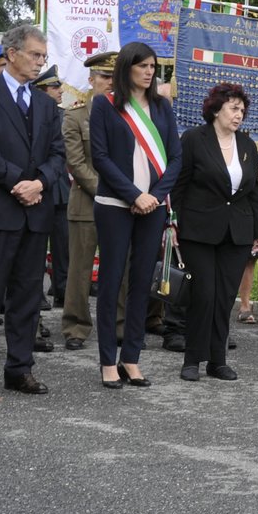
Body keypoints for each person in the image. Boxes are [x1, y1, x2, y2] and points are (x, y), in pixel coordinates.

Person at [0, 23, 63, 399]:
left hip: (35, 210)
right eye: (35, 55)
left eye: (43, 56)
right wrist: (18, 183)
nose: (40, 62)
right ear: (12, 53)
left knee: (26, 294)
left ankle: (20, 368)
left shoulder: (44, 103)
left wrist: (39, 183)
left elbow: (57, 154)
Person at [89, 41, 180, 389]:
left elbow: (175, 159)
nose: (148, 72)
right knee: (111, 282)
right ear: (126, 68)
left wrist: (154, 197)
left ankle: (132, 358)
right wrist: (133, 195)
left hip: (153, 208)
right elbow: (101, 158)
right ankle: (107, 362)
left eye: (153, 67)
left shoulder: (162, 107)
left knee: (142, 283)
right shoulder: (105, 105)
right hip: (115, 205)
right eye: (142, 65)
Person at [171, 83, 258, 382]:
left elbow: (254, 191)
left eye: (242, 110)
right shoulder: (194, 139)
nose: (239, 115)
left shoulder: (247, 145)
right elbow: (179, 185)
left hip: (237, 232)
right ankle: (192, 360)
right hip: (198, 230)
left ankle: (217, 360)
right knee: (204, 294)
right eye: (233, 108)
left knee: (225, 297)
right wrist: (172, 223)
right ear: (216, 109)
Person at [62, 51, 115, 350]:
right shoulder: (75, 115)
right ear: (91, 79)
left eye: (114, 77)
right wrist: (108, 191)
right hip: (87, 203)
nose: (110, 83)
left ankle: (118, 325)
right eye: (104, 77)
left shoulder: (128, 114)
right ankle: (76, 327)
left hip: (121, 204)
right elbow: (76, 162)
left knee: (118, 269)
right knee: (80, 270)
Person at [33, 65, 71, 308]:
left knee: (64, 244)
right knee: (35, 247)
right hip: (40, 187)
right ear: (41, 90)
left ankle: (63, 289)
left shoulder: (66, 115)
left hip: (63, 189)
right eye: (54, 87)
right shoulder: (32, 114)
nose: (60, 91)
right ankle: (36, 293)